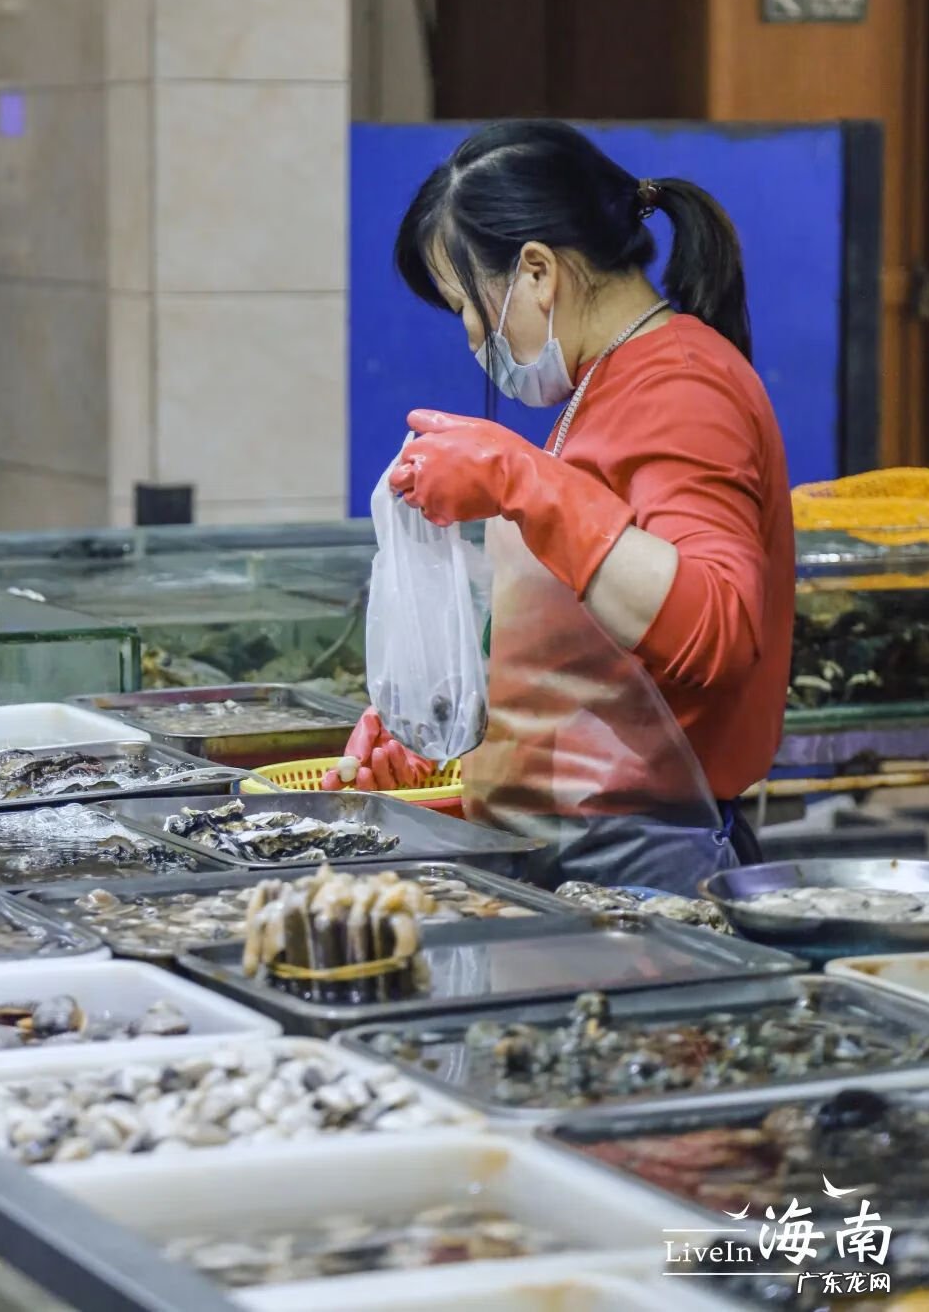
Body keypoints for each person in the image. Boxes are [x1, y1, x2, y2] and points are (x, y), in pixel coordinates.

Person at [326, 120, 795, 896]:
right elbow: (595, 640)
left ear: (537, 271)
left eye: (468, 305)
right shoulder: (604, 387)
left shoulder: (681, 386)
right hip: (573, 851)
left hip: (645, 869)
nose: (474, 335)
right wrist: (456, 729)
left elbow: (718, 630)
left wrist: (522, 477)